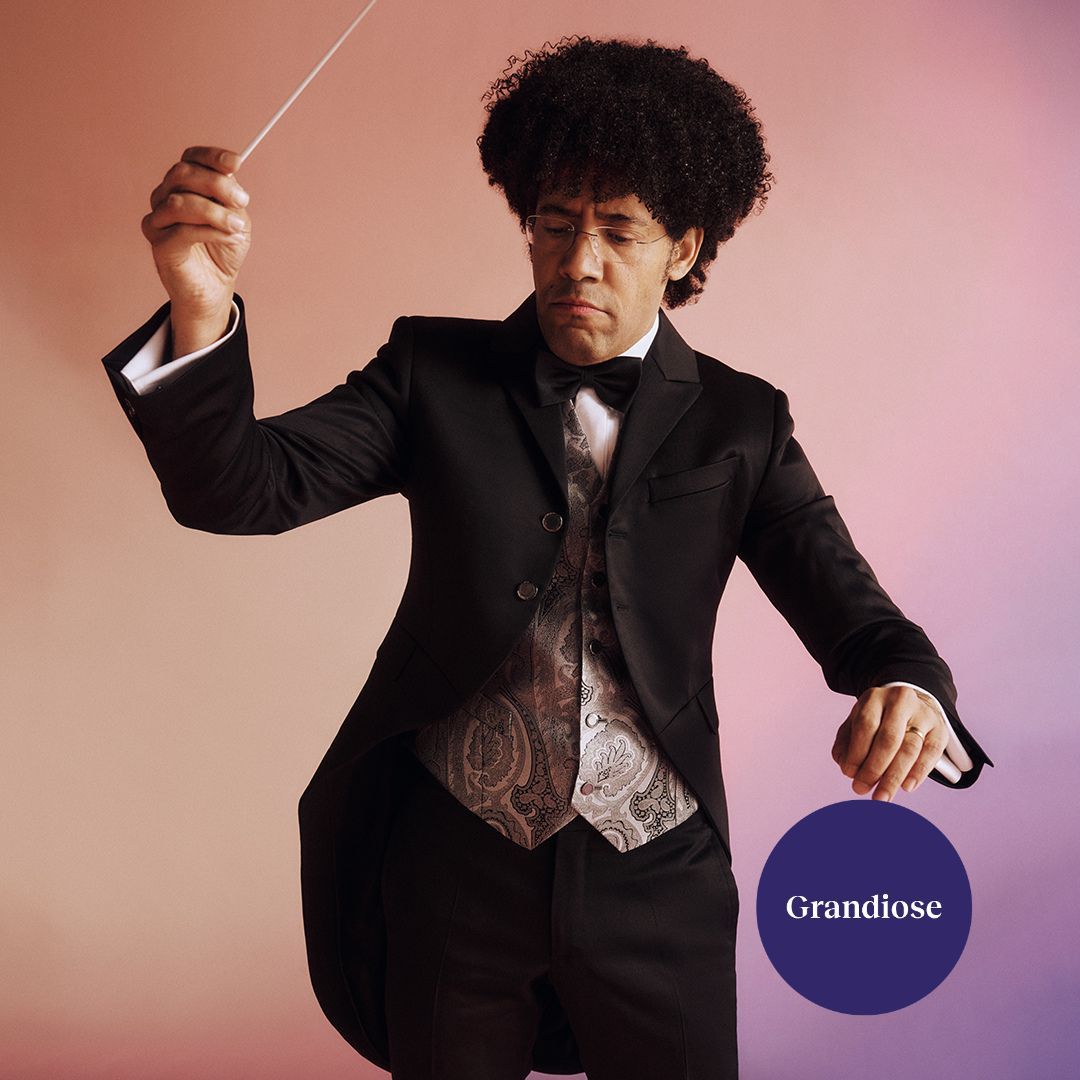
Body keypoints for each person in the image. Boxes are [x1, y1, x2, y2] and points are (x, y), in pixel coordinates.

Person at [101, 36, 992, 1080]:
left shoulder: (742, 422)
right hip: (453, 863)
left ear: (684, 248)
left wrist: (907, 686)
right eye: (557, 225)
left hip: (659, 867)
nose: (578, 263)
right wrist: (200, 307)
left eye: (619, 232)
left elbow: (858, 616)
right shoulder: (432, 373)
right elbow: (240, 489)